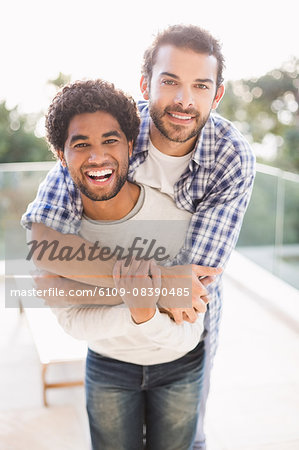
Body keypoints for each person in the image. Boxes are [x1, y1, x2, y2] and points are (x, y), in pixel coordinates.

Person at [22, 25, 255, 449]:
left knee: (187, 439)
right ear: (146, 83)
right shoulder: (110, 132)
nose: (184, 100)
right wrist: (153, 285)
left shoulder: (231, 157)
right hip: (111, 352)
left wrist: (76, 281)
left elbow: (191, 292)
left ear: (216, 95)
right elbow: (44, 245)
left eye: (200, 86)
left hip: (186, 344)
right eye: (170, 82)